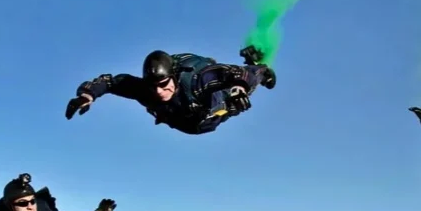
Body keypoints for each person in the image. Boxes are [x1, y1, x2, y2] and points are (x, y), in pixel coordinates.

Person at [65, 48, 276, 135]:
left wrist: (243, 86)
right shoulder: (144, 90)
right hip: (183, 121)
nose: (159, 91)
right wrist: (87, 95)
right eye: (152, 85)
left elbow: (233, 73)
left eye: (164, 83)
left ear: (173, 76)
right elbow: (109, 82)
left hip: (209, 108)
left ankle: (261, 65)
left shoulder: (197, 80)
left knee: (237, 98)